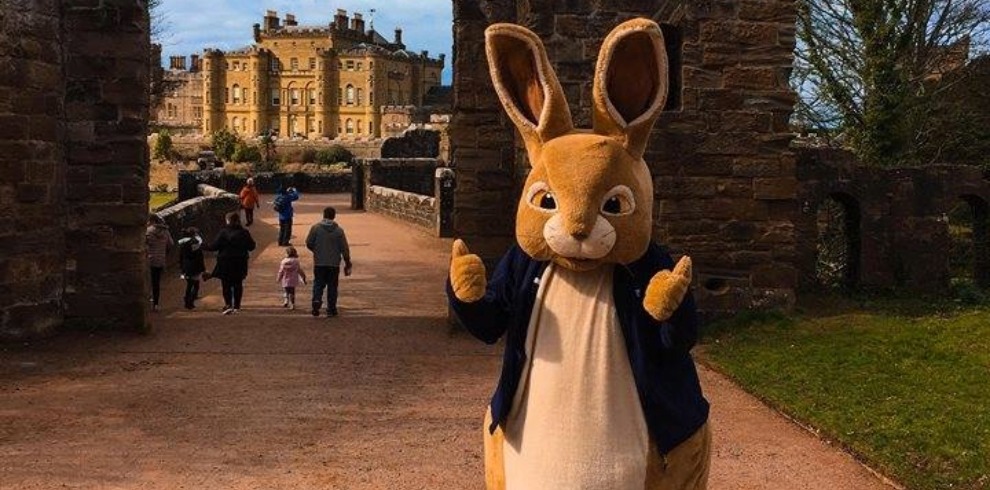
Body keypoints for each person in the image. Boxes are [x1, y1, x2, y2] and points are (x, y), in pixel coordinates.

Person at [305, 206, 352, 317]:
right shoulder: (339, 231)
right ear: (334, 216)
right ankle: (331, 309)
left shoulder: (315, 228)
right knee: (332, 286)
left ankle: (316, 300)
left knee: (318, 283)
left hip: (319, 261)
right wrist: (347, 261)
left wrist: (317, 250)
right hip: (334, 263)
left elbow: (309, 242)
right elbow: (344, 248)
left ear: (324, 215)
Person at [207, 212, 256, 315]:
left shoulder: (223, 232)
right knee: (238, 284)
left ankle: (228, 304)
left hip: (225, 261)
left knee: (226, 284)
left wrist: (202, 245)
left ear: (228, 220)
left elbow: (213, 247)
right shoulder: (244, 232)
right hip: (240, 261)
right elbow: (251, 247)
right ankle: (237, 306)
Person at [146, 214, 174, 312]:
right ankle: (156, 304)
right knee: (156, 282)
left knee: (147, 282)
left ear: (152, 221)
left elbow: (144, 243)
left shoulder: (148, 231)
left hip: (149, 259)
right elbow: (171, 244)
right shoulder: (165, 231)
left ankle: (147, 302)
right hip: (160, 260)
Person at [178, 227, 206, 310]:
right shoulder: (196, 243)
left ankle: (187, 300)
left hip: (186, 266)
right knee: (195, 285)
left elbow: (181, 257)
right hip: (195, 266)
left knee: (190, 284)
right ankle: (190, 301)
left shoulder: (182, 244)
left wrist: (182, 267)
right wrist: (203, 269)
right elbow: (200, 257)